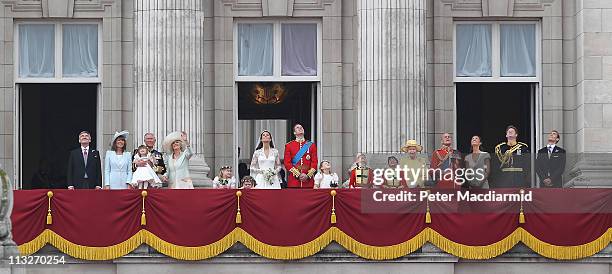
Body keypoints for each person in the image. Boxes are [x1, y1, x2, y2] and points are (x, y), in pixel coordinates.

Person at [284, 124, 318, 188]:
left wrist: (308, 175)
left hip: (308, 181)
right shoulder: (289, 145)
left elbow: (314, 162)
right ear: (294, 132)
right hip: (294, 181)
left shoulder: (311, 145)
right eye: (297, 127)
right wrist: (298, 174)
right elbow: (287, 163)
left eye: (301, 127)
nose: (300, 128)